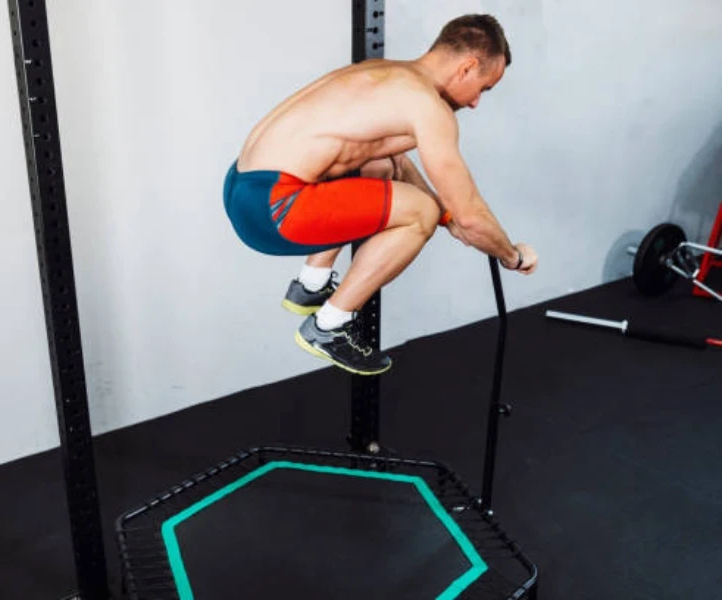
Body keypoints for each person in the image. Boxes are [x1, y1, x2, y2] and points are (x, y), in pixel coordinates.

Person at [223, 14, 538, 376]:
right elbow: (471, 215)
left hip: (243, 187)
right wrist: (511, 256)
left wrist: (448, 218)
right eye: (484, 88)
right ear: (467, 67)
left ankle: (310, 285)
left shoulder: (384, 75)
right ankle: (328, 327)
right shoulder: (428, 108)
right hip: (272, 209)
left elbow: (397, 163)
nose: (475, 104)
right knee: (420, 212)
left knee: (382, 166)